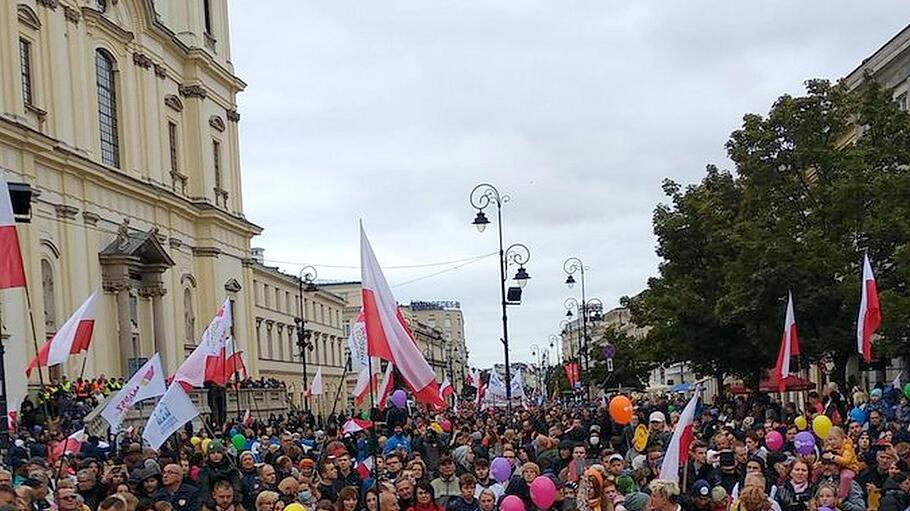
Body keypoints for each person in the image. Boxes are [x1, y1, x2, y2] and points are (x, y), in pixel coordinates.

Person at [821, 427, 859, 500]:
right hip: (838, 468)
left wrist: (832, 457)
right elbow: (825, 457)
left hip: (850, 468)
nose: (832, 442)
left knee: (846, 477)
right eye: (829, 440)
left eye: (834, 439)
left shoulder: (847, 447)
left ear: (842, 438)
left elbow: (846, 461)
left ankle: (841, 497)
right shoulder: (830, 447)